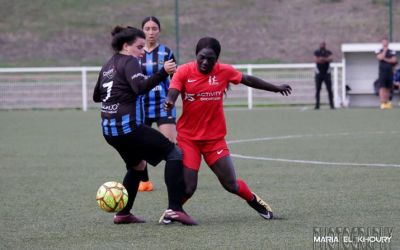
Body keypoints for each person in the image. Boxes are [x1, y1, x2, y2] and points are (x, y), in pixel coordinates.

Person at [159, 37, 292, 223]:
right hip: (189, 139)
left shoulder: (224, 71)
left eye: (210, 59)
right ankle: (172, 211)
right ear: (196, 55)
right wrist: (169, 101)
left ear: (217, 59)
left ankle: (254, 201)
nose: (205, 62)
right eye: (202, 57)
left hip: (214, 140)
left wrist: (276, 88)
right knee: (189, 188)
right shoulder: (183, 71)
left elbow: (249, 80)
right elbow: (173, 90)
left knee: (231, 184)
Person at [93, 25, 196, 225]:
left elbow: (97, 96)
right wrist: (163, 72)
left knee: (137, 165)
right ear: (126, 46)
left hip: (109, 130)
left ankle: (123, 214)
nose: (142, 52)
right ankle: (175, 209)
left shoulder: (107, 65)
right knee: (174, 153)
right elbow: (140, 88)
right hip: (128, 127)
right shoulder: (130, 61)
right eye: (139, 47)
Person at [137, 16, 177, 192]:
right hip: (141, 106)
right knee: (138, 144)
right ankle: (144, 181)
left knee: (169, 144)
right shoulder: (136, 53)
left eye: (154, 28)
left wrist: (172, 99)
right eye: (147, 28)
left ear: (159, 31)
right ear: (142, 31)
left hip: (163, 104)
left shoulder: (166, 52)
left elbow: (176, 79)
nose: (151, 32)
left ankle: (175, 180)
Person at [375, 37, 397, 109]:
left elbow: (394, 60)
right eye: (383, 42)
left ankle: (387, 102)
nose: (385, 43)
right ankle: (382, 103)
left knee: (388, 87)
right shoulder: (379, 50)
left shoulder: (392, 51)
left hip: (390, 72)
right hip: (382, 72)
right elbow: (380, 57)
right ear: (382, 43)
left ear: (388, 43)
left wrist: (385, 59)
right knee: (382, 87)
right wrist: (384, 52)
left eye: (386, 42)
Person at [314, 41, 334, 110]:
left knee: (329, 90)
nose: (322, 45)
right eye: (321, 44)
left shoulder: (328, 52)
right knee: (318, 90)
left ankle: (332, 105)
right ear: (319, 45)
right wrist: (325, 60)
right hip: (319, 74)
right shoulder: (316, 52)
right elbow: (316, 60)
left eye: (323, 44)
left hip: (327, 74)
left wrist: (323, 59)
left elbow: (331, 59)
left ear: (325, 45)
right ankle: (317, 106)